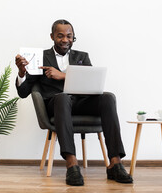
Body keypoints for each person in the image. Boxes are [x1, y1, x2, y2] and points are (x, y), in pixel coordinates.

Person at [15, 19, 133, 186]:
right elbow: (23, 92)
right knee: (62, 97)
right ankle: (71, 164)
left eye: (69, 36)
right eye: (60, 36)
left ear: (73, 37)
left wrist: (63, 75)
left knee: (108, 97)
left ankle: (115, 162)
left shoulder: (82, 57)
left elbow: (92, 85)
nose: (65, 40)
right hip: (56, 105)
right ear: (52, 37)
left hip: (81, 102)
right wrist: (21, 72)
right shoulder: (40, 57)